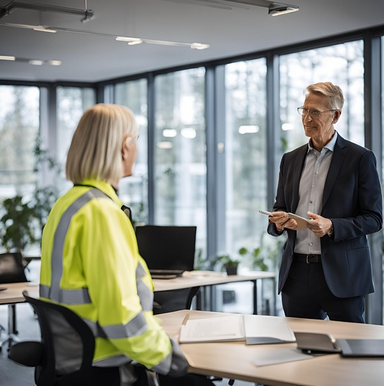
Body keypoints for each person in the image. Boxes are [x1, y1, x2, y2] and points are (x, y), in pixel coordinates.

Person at [39, 104, 211, 386]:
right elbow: (120, 318)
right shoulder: (102, 213)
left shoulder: (67, 204)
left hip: (71, 360)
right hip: (104, 364)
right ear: (124, 146)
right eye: (137, 140)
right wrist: (172, 358)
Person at [267, 82, 382, 323]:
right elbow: (280, 206)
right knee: (301, 352)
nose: (307, 118)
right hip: (296, 275)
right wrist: (279, 222)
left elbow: (374, 218)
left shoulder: (360, 158)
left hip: (343, 275)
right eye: (304, 110)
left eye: (315, 112)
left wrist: (332, 226)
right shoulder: (290, 159)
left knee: (351, 350)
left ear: (336, 115)